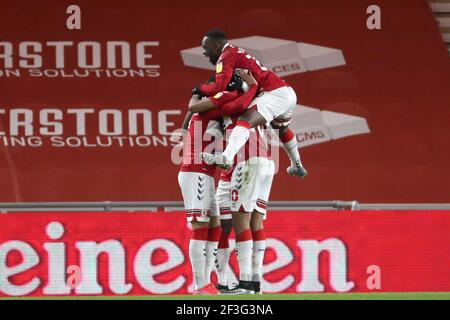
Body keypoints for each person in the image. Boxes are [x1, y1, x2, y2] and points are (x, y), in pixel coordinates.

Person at [191, 71, 274, 295]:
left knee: (240, 224)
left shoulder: (232, 103)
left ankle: (246, 282)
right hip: (259, 163)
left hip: (247, 163)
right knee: (250, 223)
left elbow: (202, 113)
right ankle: (247, 282)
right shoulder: (254, 104)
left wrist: (201, 100)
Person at [194, 29, 307, 178]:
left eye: (205, 48)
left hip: (273, 93)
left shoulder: (226, 56)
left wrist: (198, 89)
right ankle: (297, 165)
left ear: (216, 45)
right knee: (281, 129)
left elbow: (220, 86)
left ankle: (227, 156)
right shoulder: (234, 52)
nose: (205, 52)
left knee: (245, 120)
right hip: (286, 93)